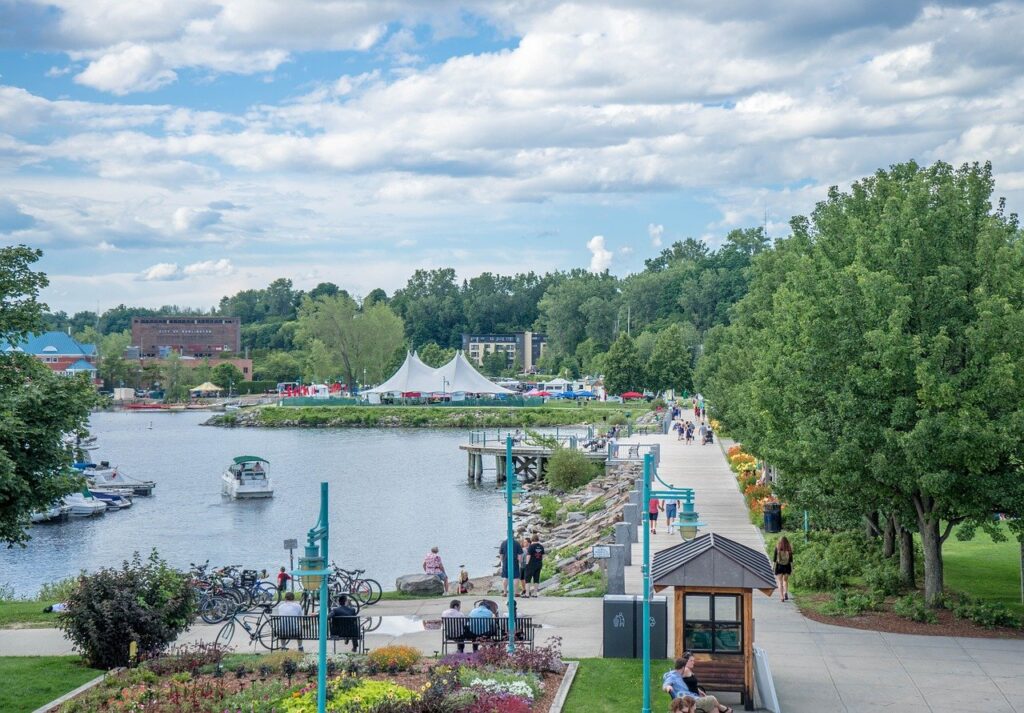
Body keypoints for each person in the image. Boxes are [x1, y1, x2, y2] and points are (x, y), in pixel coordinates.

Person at [662, 657, 731, 713]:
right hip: (688, 703)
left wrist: (698, 691)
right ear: (683, 667)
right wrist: (668, 687)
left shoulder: (679, 675)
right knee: (712, 699)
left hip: (693, 698)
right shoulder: (673, 676)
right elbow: (665, 685)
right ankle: (725, 709)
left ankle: (724, 709)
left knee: (713, 707)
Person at [773, 536, 793, 601]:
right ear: (787, 542)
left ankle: (782, 597)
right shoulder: (789, 548)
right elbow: (791, 560)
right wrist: (792, 569)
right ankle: (786, 592)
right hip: (787, 566)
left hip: (779, 567)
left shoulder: (777, 548)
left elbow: (774, 559)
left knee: (780, 582)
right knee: (785, 581)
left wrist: (773, 567)